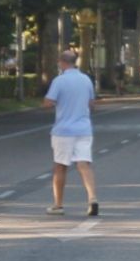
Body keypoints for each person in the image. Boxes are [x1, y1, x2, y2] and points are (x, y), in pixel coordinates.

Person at [42, 50, 98, 217]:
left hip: (63, 130)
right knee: (84, 164)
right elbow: (91, 104)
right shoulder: (86, 79)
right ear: (75, 62)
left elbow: (48, 103)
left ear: (61, 62)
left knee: (60, 166)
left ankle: (58, 205)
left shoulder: (59, 81)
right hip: (84, 128)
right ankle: (92, 198)